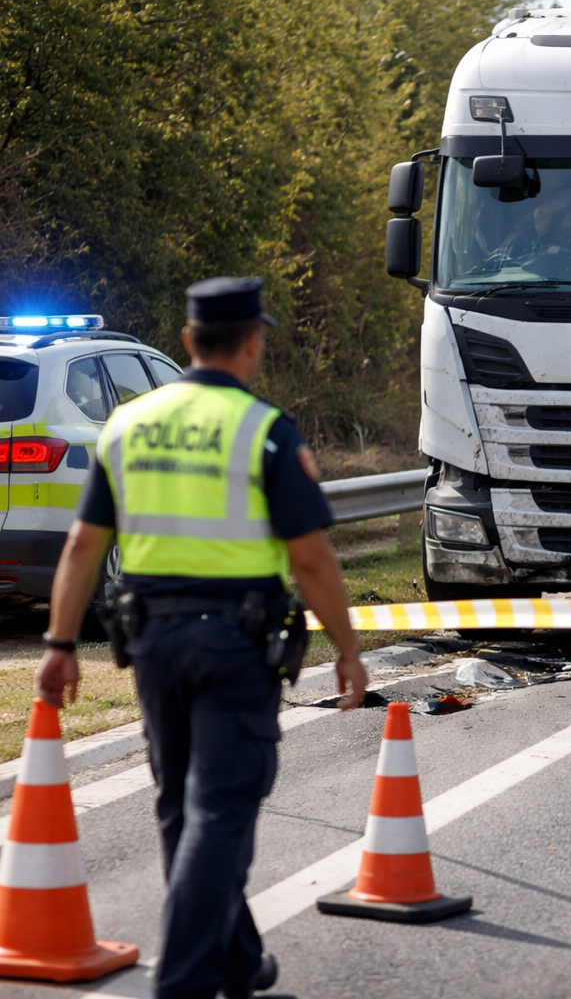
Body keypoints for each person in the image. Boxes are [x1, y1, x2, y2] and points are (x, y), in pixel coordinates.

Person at [35, 276, 369, 999]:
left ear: (187, 342)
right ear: (254, 342)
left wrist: (60, 645)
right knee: (219, 812)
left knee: (180, 810)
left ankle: (237, 959)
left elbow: (82, 547)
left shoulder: (128, 424)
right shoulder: (265, 429)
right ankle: (182, 984)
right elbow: (309, 557)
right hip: (235, 647)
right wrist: (346, 649)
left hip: (151, 642)